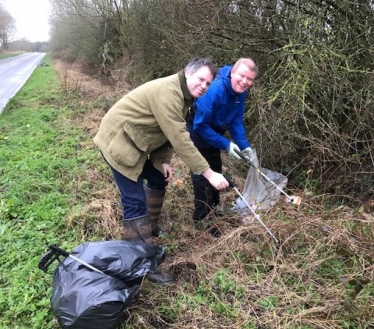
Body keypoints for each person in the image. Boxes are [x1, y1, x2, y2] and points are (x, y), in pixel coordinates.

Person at [93, 57, 229, 284]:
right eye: (201, 79)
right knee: (134, 202)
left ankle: (150, 226)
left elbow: (166, 131)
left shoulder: (184, 95)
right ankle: (141, 264)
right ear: (188, 72)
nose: (204, 86)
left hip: (136, 140)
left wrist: (163, 160)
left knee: (157, 177)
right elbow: (178, 136)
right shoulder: (169, 92)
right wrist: (209, 173)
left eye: (208, 83)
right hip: (118, 142)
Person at [187, 57, 258, 234]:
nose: (245, 82)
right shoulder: (216, 89)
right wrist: (226, 145)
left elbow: (235, 121)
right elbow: (200, 125)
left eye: (249, 79)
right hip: (198, 130)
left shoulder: (240, 92)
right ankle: (201, 218)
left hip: (215, 132)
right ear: (233, 72)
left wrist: (244, 146)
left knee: (216, 168)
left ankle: (214, 208)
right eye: (242, 76)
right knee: (202, 174)